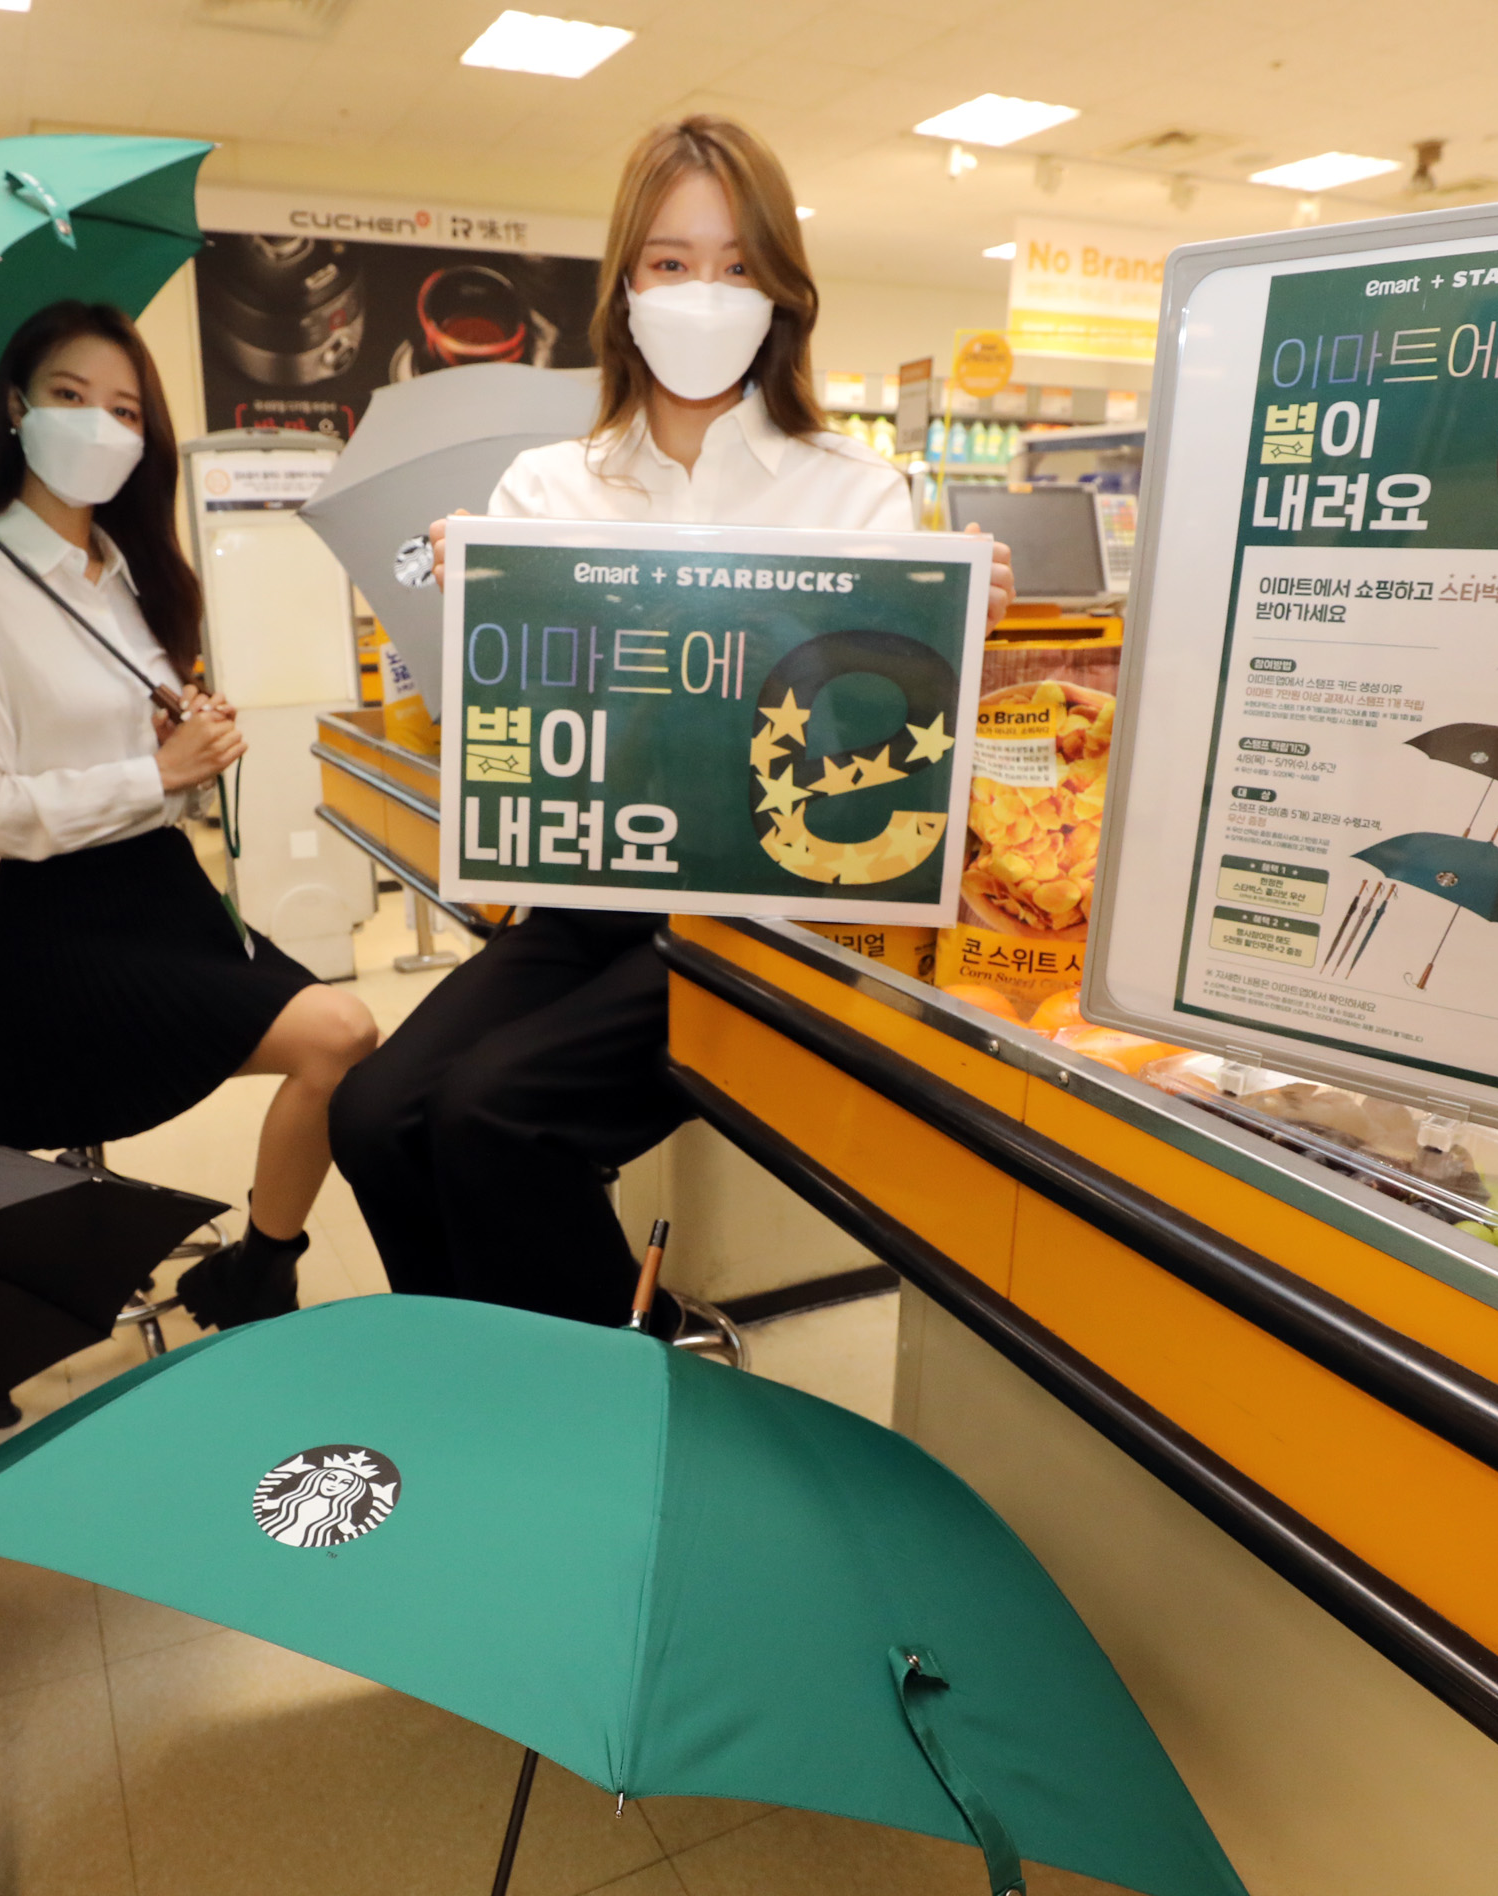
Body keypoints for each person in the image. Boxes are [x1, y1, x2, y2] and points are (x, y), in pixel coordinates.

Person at [329, 115, 1010, 1331]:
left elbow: (884, 756)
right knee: (374, 1111)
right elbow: (513, 741)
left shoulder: (858, 493)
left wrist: (955, 622)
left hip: (765, 916)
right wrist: (479, 605)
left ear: (782, 291)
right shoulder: (546, 488)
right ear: (626, 288)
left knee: (492, 1110)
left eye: (737, 265)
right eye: (671, 261)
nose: (704, 292)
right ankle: (476, 1360)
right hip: (591, 892)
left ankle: (615, 1371)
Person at [0, 299, 377, 1329]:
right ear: (15, 408)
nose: (99, 426)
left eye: (124, 410)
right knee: (340, 1028)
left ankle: (259, 1265)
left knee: (345, 1041)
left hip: (170, 894)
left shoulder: (125, 573)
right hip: (66, 924)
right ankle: (265, 1273)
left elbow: (150, 768)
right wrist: (153, 773)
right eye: (70, 396)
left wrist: (188, 747)